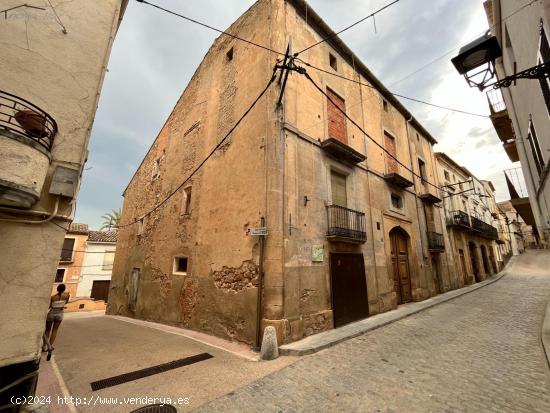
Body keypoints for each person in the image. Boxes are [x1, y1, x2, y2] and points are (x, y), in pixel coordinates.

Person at [44, 284, 70, 349]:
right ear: (64, 289)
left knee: (47, 330)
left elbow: (49, 306)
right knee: (55, 330)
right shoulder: (67, 296)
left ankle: (44, 346)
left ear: (57, 289)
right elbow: (66, 302)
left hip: (51, 313)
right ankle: (50, 346)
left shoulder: (53, 297)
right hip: (60, 313)